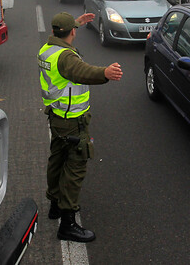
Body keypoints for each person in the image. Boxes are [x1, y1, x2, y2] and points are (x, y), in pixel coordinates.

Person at [38, 12, 123, 243]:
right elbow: (81, 71)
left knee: (56, 160)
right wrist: (105, 73)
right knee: (75, 169)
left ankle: (54, 205)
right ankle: (67, 224)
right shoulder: (66, 57)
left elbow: (63, 30)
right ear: (71, 33)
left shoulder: (48, 49)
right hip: (72, 120)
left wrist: (77, 21)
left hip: (56, 117)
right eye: (73, 28)